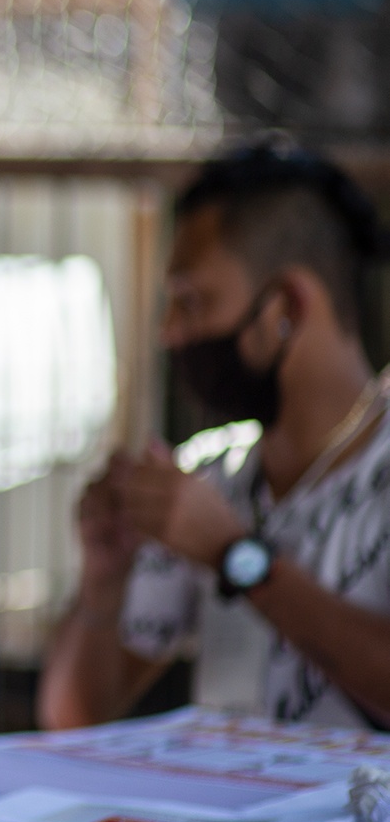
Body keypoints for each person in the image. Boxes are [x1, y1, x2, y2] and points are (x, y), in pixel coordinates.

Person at [40, 142, 390, 731]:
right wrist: (103, 582)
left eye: (192, 302)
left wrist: (235, 557)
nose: (169, 333)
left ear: (287, 306)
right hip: (229, 820)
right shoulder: (212, 474)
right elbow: (73, 721)